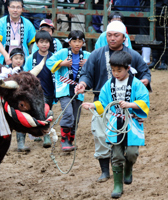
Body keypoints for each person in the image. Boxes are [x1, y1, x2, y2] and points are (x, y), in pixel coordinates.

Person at [74, 20, 151, 183]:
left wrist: (144, 80)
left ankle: (126, 167)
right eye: (109, 35)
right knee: (101, 135)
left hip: (127, 107)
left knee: (127, 142)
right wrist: (83, 83)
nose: (112, 38)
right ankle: (104, 170)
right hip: (102, 103)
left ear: (124, 37)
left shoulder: (133, 55)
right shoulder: (96, 54)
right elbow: (86, 73)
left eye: (116, 35)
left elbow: (145, 71)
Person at [81, 51, 150, 198]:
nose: (116, 73)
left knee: (132, 153)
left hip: (131, 122)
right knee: (117, 155)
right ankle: (118, 185)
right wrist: (93, 106)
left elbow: (144, 102)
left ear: (128, 68)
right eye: (113, 70)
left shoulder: (136, 84)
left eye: (119, 70)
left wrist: (130, 104)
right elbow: (104, 103)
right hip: (115, 122)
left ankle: (129, 167)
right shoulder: (109, 84)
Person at [46, 30, 90, 151]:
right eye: (74, 41)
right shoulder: (63, 53)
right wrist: (61, 63)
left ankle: (70, 140)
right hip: (64, 88)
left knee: (75, 117)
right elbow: (49, 62)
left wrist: (88, 64)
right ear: (69, 42)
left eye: (80, 41)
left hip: (79, 89)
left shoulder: (87, 55)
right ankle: (64, 139)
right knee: (68, 113)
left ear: (83, 42)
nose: (77, 44)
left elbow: (96, 66)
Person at [23, 30, 54, 149]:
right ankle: (43, 134)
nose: (44, 44)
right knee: (38, 111)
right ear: (36, 43)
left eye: (46, 42)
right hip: (35, 91)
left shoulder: (53, 57)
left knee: (47, 112)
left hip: (49, 89)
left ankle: (45, 134)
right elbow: (26, 73)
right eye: (41, 42)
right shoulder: (31, 57)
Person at [0, 0, 35, 64]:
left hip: (22, 60)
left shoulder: (28, 23)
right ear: (8, 8)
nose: (15, 10)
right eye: (13, 7)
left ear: (22, 9)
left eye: (18, 7)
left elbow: (33, 43)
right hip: (3, 59)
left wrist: (32, 58)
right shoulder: (0, 22)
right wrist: (6, 55)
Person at [140, 0, 168, 70]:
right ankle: (155, 60)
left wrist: (164, 10)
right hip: (149, 10)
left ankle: (164, 61)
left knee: (161, 36)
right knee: (152, 37)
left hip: (160, 12)